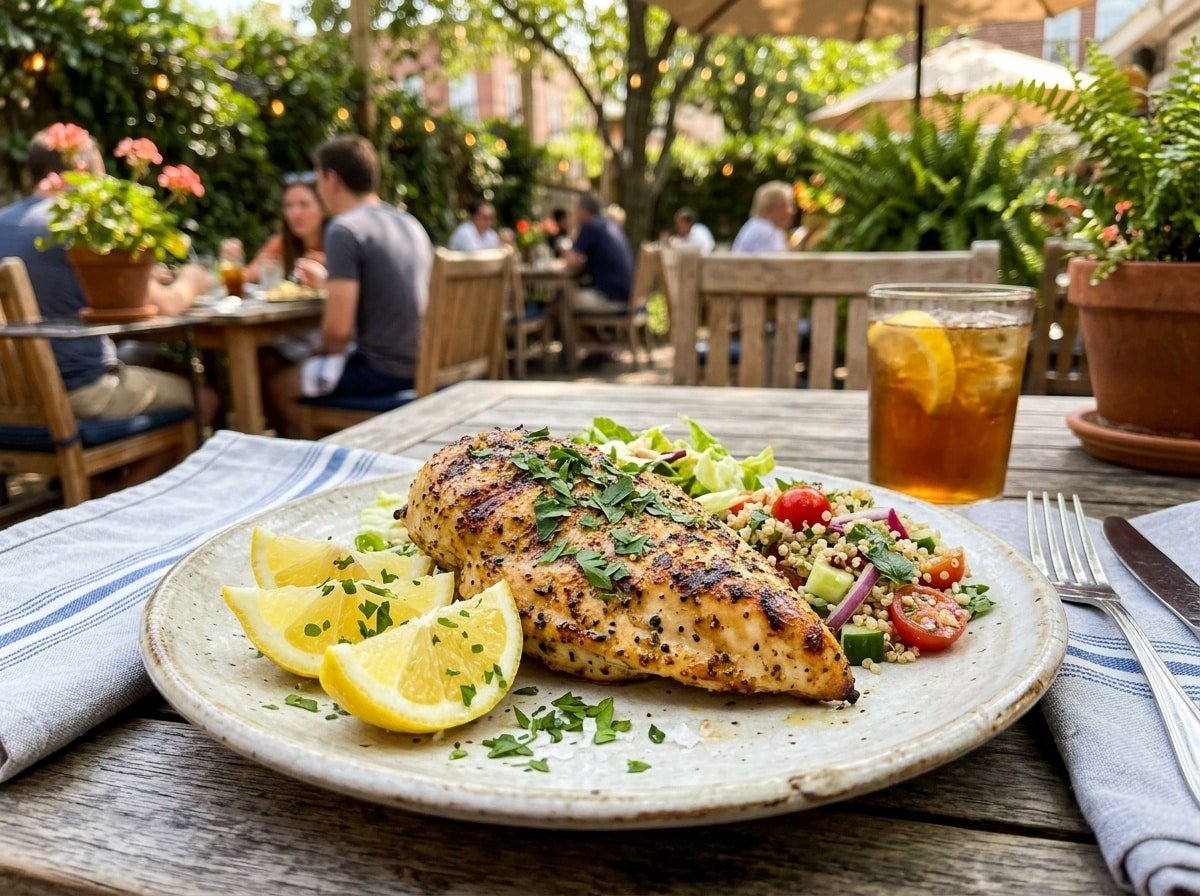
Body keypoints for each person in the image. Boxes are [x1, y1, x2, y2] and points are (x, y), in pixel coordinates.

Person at [0, 128, 214, 423]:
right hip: (79, 392)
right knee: (205, 398)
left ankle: (103, 471)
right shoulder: (80, 224)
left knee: (146, 358)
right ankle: (120, 471)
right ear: (82, 166)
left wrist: (142, 278)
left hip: (9, 399)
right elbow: (166, 306)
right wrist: (192, 280)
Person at [268, 134, 433, 437]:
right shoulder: (410, 223)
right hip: (422, 364)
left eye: (317, 180)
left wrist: (310, 352)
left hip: (381, 372)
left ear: (332, 179)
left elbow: (338, 335)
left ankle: (314, 465)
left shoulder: (344, 229)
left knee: (278, 385)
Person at [245, 172, 328, 283]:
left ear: (324, 209)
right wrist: (232, 262)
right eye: (289, 205)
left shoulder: (339, 241)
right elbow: (247, 275)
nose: (295, 213)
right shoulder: (282, 242)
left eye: (304, 204)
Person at [565, 193, 633, 314]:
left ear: (583, 211)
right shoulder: (612, 225)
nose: (574, 215)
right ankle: (591, 333)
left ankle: (568, 333)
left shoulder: (589, 226)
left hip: (610, 299)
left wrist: (573, 230)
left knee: (564, 299)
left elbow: (571, 262)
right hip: (628, 297)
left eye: (575, 211)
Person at [732, 181, 796, 253]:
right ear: (773, 207)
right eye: (789, 205)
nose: (792, 211)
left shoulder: (770, 228)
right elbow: (776, 262)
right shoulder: (762, 230)